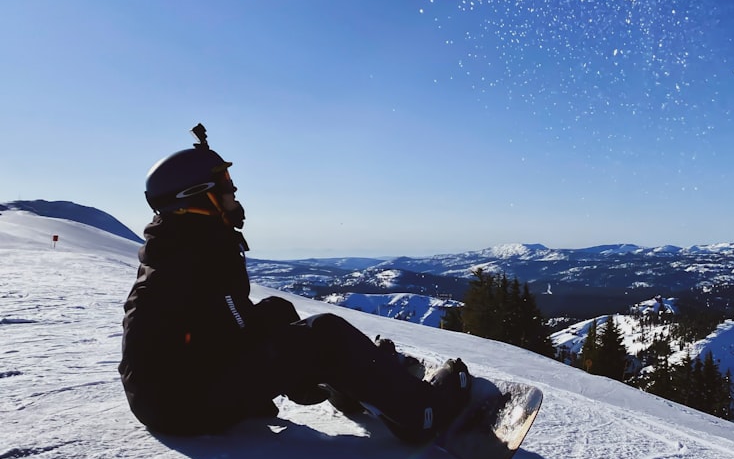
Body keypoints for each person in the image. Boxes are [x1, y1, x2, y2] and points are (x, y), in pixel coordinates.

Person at [119, 124, 471, 441]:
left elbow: (221, 325)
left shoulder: (185, 242)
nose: (234, 189)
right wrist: (301, 362)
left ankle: (354, 384)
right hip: (181, 406)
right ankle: (423, 414)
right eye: (224, 184)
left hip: (173, 389)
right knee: (325, 333)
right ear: (198, 194)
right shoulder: (200, 253)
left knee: (278, 310)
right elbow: (241, 332)